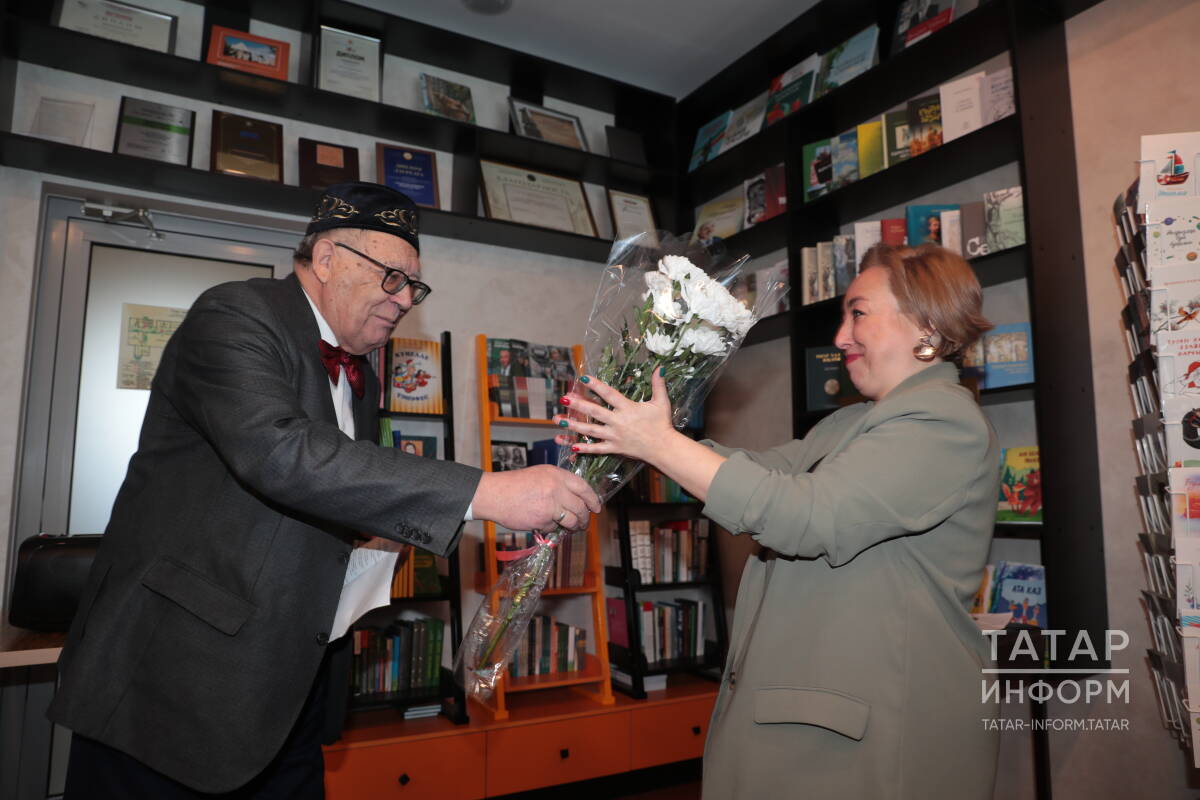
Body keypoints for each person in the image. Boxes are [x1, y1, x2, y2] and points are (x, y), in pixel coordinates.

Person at [48, 182, 601, 798]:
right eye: (393, 277)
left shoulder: (362, 376)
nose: (404, 300)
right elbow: (280, 452)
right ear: (328, 258)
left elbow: (328, 492)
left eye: (413, 287)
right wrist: (486, 493)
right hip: (175, 685)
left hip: (290, 687)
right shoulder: (232, 315)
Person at [557, 243, 1000, 798]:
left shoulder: (942, 422)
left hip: (876, 741)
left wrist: (660, 444)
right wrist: (642, 440)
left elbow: (804, 515)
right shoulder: (852, 424)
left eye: (858, 313)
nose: (840, 337)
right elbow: (760, 475)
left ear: (927, 324)